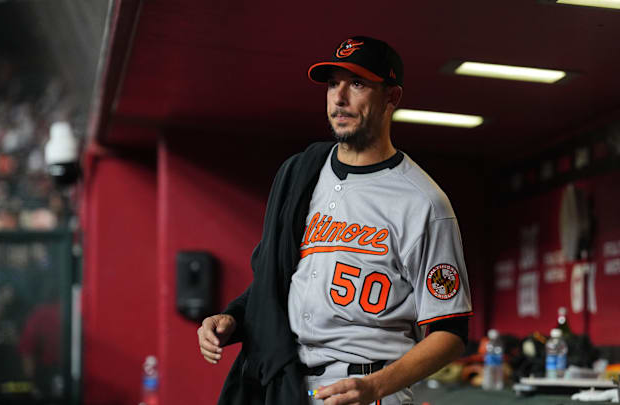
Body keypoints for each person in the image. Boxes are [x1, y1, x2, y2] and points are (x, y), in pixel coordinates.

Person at [197, 36, 473, 405]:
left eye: (357, 84)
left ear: (391, 97)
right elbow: (277, 284)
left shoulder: (423, 202)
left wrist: (376, 386)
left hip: (370, 388)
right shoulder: (302, 174)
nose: (339, 98)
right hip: (292, 388)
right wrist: (233, 317)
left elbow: (450, 333)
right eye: (332, 85)